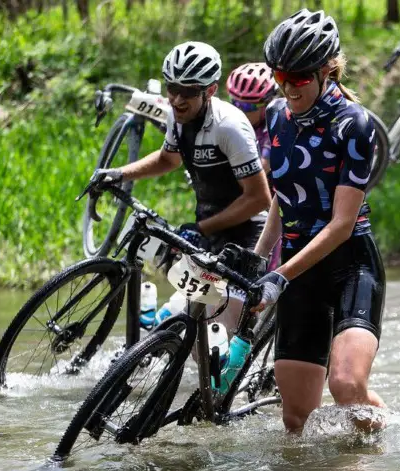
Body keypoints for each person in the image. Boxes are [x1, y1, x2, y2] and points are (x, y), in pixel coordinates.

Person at [251, 8, 387, 433]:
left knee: (346, 385)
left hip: (350, 265)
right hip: (298, 268)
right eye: (280, 77)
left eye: (300, 78)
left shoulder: (354, 124)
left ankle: (373, 461)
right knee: (296, 416)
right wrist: (260, 260)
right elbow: (282, 198)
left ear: (328, 70)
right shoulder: (275, 116)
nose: (288, 88)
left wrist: (280, 276)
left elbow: (342, 224)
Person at [90, 41, 272, 331]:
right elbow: (167, 159)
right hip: (209, 230)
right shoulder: (179, 118)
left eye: (187, 92)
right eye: (171, 88)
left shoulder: (230, 128)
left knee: (226, 330)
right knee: (195, 334)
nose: (176, 99)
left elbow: (259, 199)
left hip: (247, 235)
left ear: (210, 90)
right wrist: (119, 173)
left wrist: (202, 228)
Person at [226, 62, 282, 270]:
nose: (239, 110)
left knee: (259, 268)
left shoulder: (274, 122)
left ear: (266, 103)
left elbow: (263, 165)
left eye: (247, 107)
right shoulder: (233, 120)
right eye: (235, 103)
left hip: (272, 201)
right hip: (242, 195)